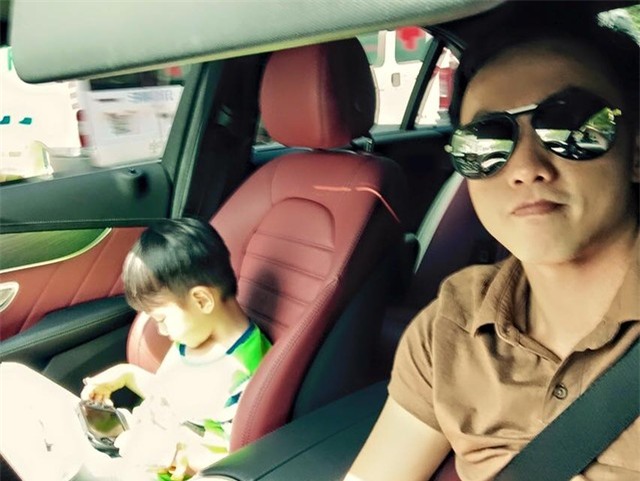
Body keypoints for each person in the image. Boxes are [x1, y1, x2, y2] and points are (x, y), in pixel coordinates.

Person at [345, 8, 639, 481]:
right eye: (486, 142)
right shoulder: (451, 324)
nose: (525, 167)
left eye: (569, 127)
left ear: (636, 152)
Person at [0, 218, 272, 481]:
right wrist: (127, 375)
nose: (160, 330)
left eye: (161, 319)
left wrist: (175, 455)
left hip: (148, 470)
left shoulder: (244, 373)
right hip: (131, 440)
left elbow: (237, 456)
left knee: (41, 457)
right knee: (9, 377)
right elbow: (174, 397)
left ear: (201, 300)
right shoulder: (195, 336)